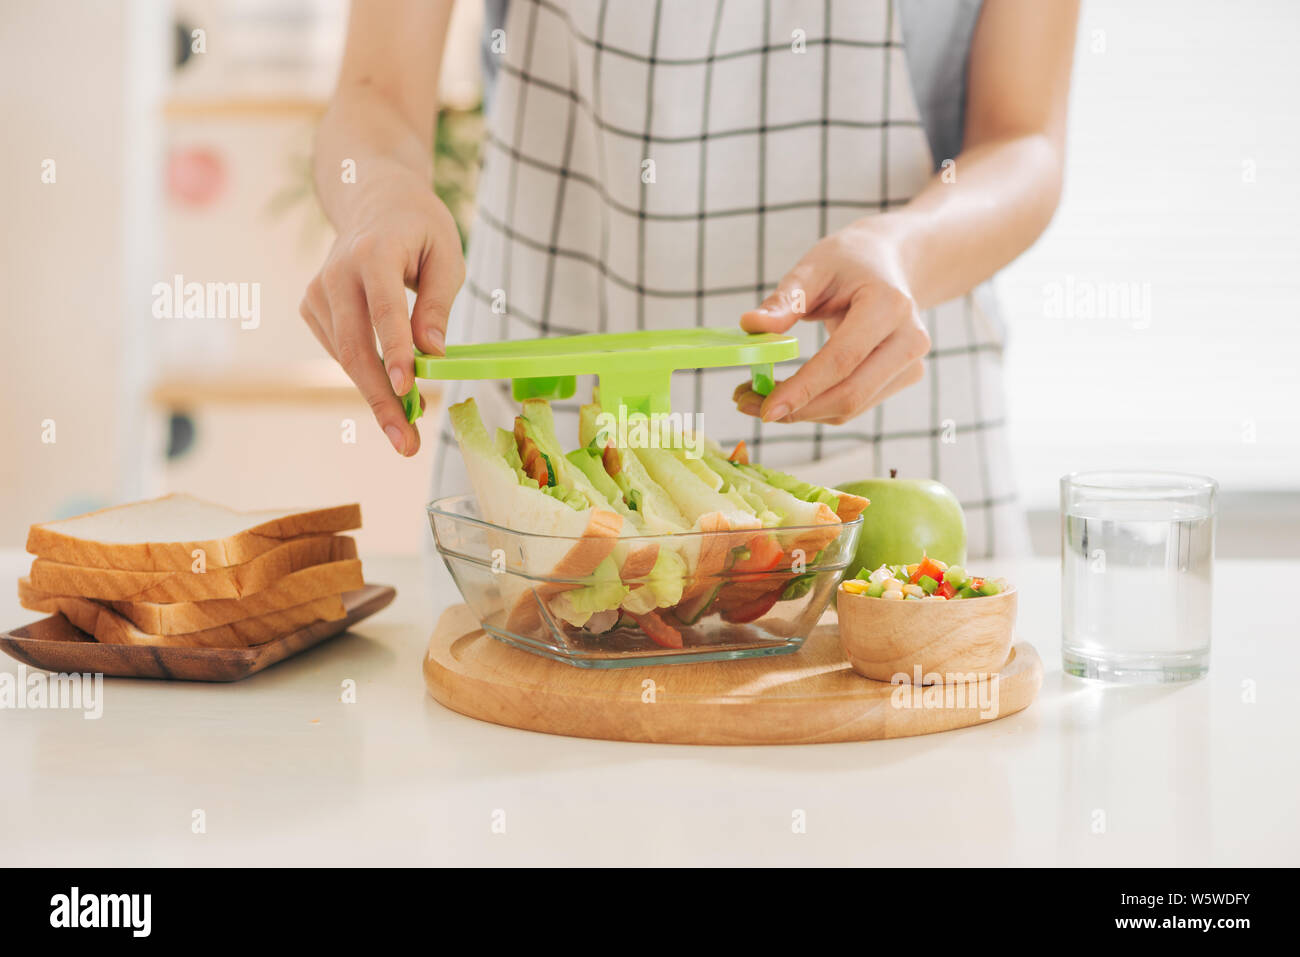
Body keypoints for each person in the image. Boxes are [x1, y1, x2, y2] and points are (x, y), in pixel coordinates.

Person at [301, 0, 1079, 558]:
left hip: (885, 409)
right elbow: (374, 92)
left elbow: (1023, 140)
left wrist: (904, 249)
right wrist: (376, 193)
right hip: (544, 431)